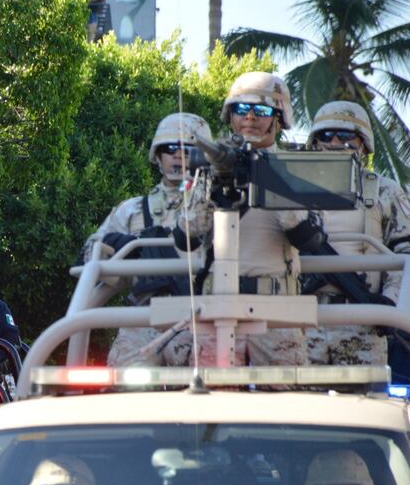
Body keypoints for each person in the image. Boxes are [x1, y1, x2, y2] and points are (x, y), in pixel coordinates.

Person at [170, 72, 325, 367]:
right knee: (209, 406)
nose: (250, 118)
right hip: (216, 309)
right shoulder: (209, 168)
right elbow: (186, 237)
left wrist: (269, 178)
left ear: (278, 119)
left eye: (262, 110)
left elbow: (309, 238)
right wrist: (213, 186)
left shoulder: (294, 170)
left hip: (277, 313)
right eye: (241, 110)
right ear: (230, 117)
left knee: (282, 405)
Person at [81, 113, 212, 366]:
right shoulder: (132, 210)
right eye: (171, 148)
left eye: (188, 149)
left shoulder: (222, 205)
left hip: (205, 314)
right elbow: (91, 252)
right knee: (123, 380)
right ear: (158, 156)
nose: (178, 155)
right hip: (145, 315)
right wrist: (118, 245)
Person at [300, 100, 410, 367]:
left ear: (363, 143)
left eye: (346, 135)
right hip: (303, 320)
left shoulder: (385, 191)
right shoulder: (293, 192)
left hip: (363, 317)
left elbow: (405, 253)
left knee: (365, 403)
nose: (335, 141)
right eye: (327, 135)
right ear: (315, 142)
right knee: (299, 402)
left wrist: (387, 305)